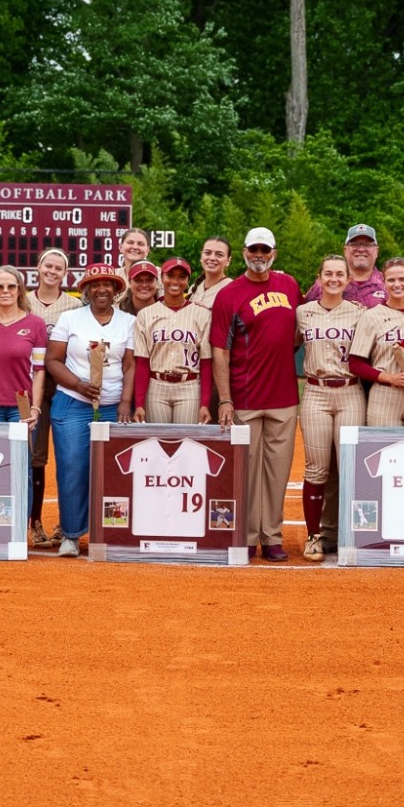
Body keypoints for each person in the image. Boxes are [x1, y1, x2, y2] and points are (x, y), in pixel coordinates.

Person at [210, 227, 304, 562]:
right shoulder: (230, 294)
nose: (259, 255)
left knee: (277, 472)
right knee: (247, 473)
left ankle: (272, 537)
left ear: (274, 253)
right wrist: (225, 399)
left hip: (284, 396)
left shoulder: (290, 285)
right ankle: (247, 536)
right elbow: (219, 350)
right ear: (245, 252)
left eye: (265, 250)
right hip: (245, 397)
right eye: (254, 249)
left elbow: (298, 333)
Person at [45, 264, 136, 557]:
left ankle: (109, 532)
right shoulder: (70, 318)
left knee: (115, 472)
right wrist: (78, 384)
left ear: (116, 290)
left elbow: (130, 365)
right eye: (95, 285)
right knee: (73, 467)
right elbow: (53, 360)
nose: (101, 290)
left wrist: (124, 401)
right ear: (85, 289)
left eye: (108, 285)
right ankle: (71, 534)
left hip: (111, 406)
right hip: (74, 401)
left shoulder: (128, 322)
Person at [295, 255, 365, 562]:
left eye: (340, 274)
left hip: (350, 392)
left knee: (350, 467)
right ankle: (313, 537)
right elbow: (288, 345)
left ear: (348, 280)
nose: (334, 279)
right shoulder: (303, 312)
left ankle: (351, 535)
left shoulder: (360, 313)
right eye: (328, 273)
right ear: (319, 278)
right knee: (316, 467)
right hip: (315, 391)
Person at [24, 247, 83, 548]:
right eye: (48, 265)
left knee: (66, 455)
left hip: (61, 387)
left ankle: (65, 522)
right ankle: (35, 523)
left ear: (65, 273)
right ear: (38, 267)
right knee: (35, 457)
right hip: (29, 385)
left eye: (58, 267)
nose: (52, 271)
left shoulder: (74, 306)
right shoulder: (24, 300)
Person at [351, 258, 404, 427]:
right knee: (385, 452)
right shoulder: (371, 316)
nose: (397, 284)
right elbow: (355, 364)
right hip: (385, 394)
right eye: (391, 280)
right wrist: (390, 378)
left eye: (402, 279)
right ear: (383, 282)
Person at [131, 258, 211, 424]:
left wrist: (204, 404)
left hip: (189, 385)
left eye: (181, 277)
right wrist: (139, 404)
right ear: (162, 278)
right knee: (158, 443)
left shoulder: (201, 314)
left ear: (188, 280)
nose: (175, 281)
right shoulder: (145, 314)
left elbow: (206, 363)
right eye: (170, 275)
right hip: (156, 385)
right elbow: (142, 362)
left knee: (186, 441)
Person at [0, 267, 48, 424]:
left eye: (11, 286)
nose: (5, 291)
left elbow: (39, 370)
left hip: (21, 405)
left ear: (20, 290)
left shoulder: (36, 324)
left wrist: (35, 408)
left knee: (20, 450)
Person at [304, 224, 386, 307]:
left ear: (376, 251)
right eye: (354, 244)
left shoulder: (388, 284)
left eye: (367, 245)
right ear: (345, 250)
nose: (361, 249)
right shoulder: (323, 284)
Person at [190, 236, 233, 308]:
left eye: (219, 255)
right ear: (201, 256)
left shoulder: (233, 290)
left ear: (228, 260)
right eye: (207, 253)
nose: (212, 258)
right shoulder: (193, 288)